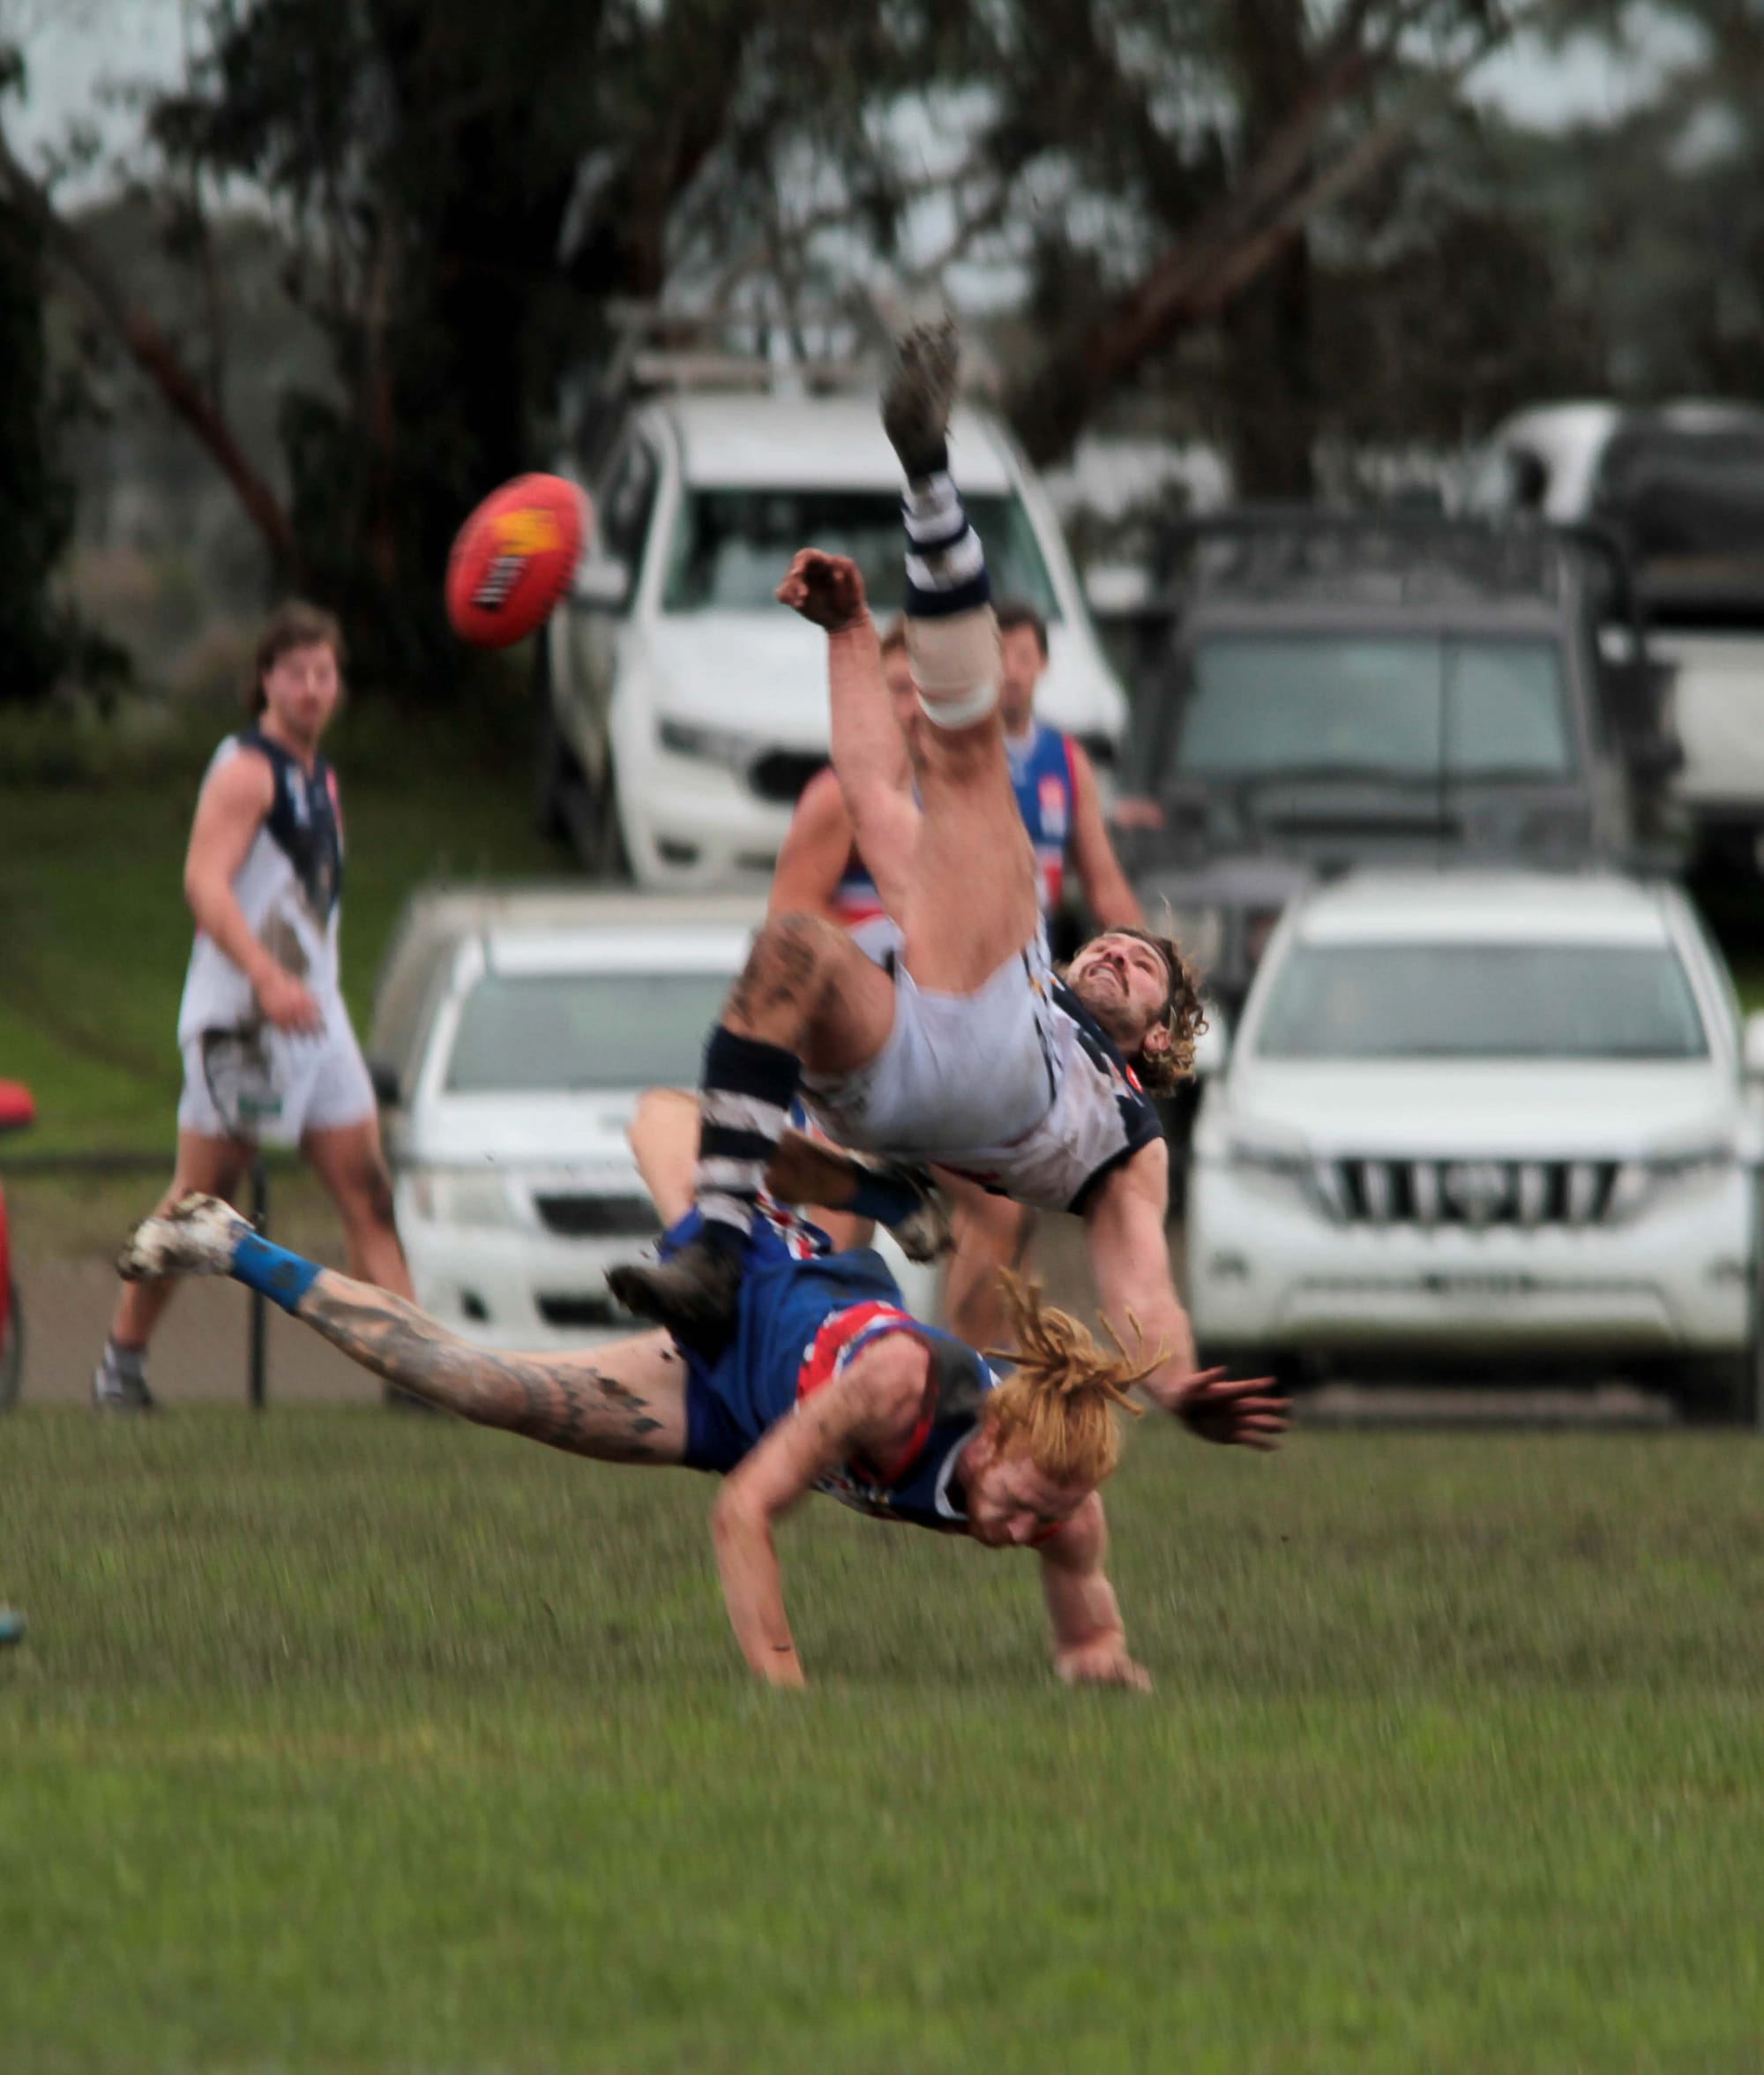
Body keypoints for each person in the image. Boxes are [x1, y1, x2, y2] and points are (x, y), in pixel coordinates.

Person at [609, 321, 1282, 1450]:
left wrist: (1174, 1382)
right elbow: (872, 788)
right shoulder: (1018, 960)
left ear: (1159, 1042)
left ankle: (926, 470)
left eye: (1144, 973)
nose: (1120, 950)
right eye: (1117, 943)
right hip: (894, 1076)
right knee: (793, 949)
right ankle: (716, 1257)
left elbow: (1141, 1281)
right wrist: (846, 632)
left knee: (967, 762)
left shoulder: (1127, 1133)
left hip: (995, 1068)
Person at [116, 1106, 1162, 1689]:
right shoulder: (898, 1389)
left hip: (732, 1412)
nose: (1015, 1529)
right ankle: (857, 1188)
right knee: (662, 1126)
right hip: (749, 1294)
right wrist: (786, 1695)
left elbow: (1084, 1621)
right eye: (1017, 1501)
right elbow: (744, 1514)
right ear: (994, 1432)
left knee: (474, 1386)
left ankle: (225, 1240)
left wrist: (1095, 1658)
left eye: (1039, 1516)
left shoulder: (1059, 1503)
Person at [770, 607, 1146, 1345]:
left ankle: (967, 1377)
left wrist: (1148, 973)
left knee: (999, 1215)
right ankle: (814, 1362)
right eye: (894, 692)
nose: (911, 708)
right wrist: (888, 963)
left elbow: (1099, 891)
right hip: (867, 1046)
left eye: (922, 691)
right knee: (838, 1215)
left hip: (965, 1047)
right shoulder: (840, 798)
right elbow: (790, 929)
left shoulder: (1000, 793)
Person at [93, 602, 415, 1411]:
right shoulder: (246, 769)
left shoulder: (320, 777)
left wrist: (302, 984)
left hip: (315, 1017)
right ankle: (120, 1369)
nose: (312, 688)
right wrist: (268, 977)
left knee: (369, 1194)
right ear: (264, 680)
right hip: (243, 1017)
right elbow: (203, 882)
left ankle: (418, 1379)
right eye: (295, 672)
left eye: (324, 672)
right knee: (202, 1206)